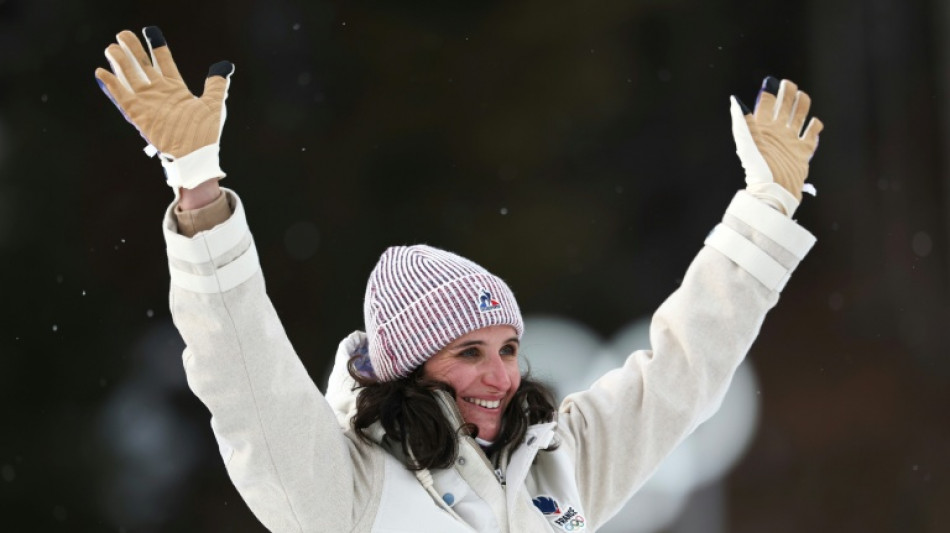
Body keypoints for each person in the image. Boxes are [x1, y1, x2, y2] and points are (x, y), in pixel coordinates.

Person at [95, 26, 824, 533]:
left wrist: (764, 213)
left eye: (508, 347)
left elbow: (681, 371)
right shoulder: (344, 491)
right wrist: (198, 193)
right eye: (468, 350)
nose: (500, 374)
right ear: (408, 366)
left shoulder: (558, 469)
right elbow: (244, 377)